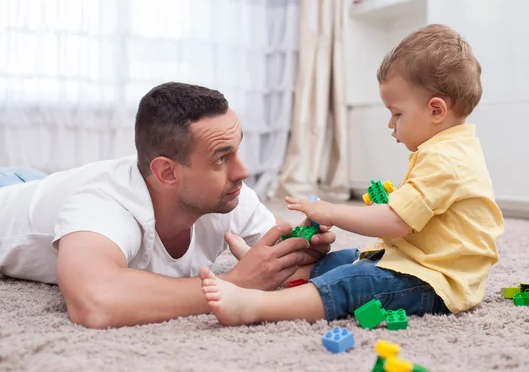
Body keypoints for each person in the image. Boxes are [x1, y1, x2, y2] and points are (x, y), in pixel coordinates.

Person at [198, 24, 505, 326]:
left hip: (435, 282)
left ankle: (256, 305)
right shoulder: (447, 150)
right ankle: (274, 272)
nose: (390, 124)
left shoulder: (447, 159)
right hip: (414, 259)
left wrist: (331, 210)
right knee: (346, 259)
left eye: (396, 113)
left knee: (353, 281)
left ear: (436, 110)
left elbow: (396, 222)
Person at [0, 82, 336, 329]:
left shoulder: (229, 195)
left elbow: (281, 253)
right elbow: (95, 302)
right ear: (167, 172)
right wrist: (234, 283)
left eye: (237, 150)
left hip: (39, 184)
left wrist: (308, 246)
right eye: (222, 158)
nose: (243, 172)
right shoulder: (101, 203)